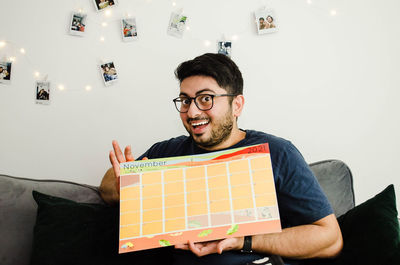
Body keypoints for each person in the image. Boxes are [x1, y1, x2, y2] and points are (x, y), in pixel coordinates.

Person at [99, 53, 343, 265]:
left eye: (205, 99)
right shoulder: (167, 153)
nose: (192, 112)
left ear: (236, 105)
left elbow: (330, 240)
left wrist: (241, 241)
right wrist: (125, 188)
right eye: (185, 100)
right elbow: (108, 185)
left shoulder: (278, 153)